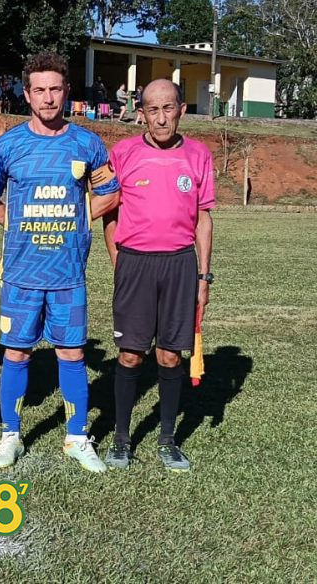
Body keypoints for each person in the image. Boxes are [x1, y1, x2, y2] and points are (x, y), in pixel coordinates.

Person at [0, 52, 121, 473]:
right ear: (26, 94)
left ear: (66, 91)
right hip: (21, 272)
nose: (48, 97)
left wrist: (79, 220)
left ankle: (77, 436)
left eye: (55, 88)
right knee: (17, 354)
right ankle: (10, 435)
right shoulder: (8, 145)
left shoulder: (87, 143)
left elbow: (110, 192)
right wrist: (15, 224)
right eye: (39, 89)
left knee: (72, 353)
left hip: (67, 273)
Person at [101, 79, 215, 471]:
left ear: (182, 110)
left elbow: (203, 218)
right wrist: (120, 262)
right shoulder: (123, 153)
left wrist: (203, 277)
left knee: (169, 355)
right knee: (131, 354)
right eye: (153, 109)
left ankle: (167, 440)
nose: (161, 118)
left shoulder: (198, 155)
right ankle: (121, 440)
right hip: (135, 263)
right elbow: (109, 213)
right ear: (142, 114)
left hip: (180, 264)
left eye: (168, 108)